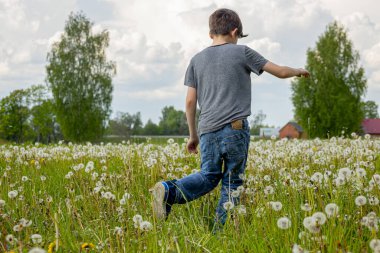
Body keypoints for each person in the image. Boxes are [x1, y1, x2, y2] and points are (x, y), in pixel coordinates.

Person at [150, 8, 309, 227]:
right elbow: (280, 71)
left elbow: (189, 102)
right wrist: (298, 70)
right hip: (234, 128)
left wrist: (192, 135)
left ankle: (170, 191)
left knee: (208, 176)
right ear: (235, 32)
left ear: (210, 34)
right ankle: (220, 233)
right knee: (233, 182)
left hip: (206, 130)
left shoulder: (196, 60)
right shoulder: (243, 52)